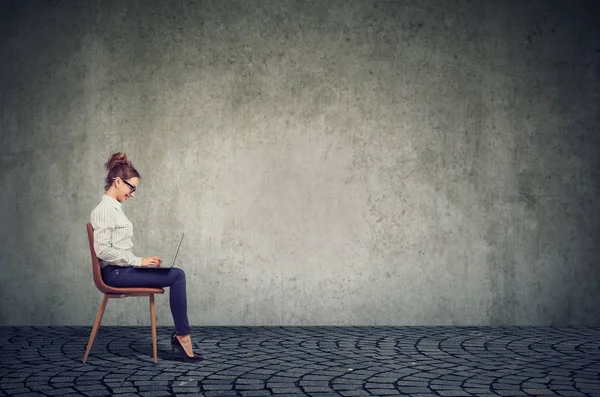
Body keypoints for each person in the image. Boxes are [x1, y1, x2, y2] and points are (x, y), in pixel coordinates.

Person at [90, 152, 201, 362]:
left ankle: (182, 336)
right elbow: (102, 251)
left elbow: (117, 249)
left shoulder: (115, 209)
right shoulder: (105, 210)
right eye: (131, 188)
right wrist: (138, 261)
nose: (133, 193)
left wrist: (142, 261)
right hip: (115, 274)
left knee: (175, 274)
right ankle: (182, 337)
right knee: (177, 276)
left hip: (122, 270)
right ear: (117, 182)